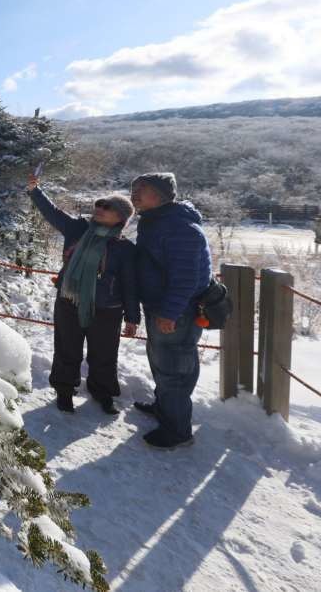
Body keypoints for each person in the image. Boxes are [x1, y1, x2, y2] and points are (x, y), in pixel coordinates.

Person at [28, 173, 139, 415]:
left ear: (121, 218)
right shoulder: (77, 228)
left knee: (105, 354)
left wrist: (133, 316)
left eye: (107, 207)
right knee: (67, 349)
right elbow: (53, 213)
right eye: (98, 204)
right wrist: (35, 190)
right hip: (70, 301)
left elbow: (130, 284)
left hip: (107, 309)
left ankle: (104, 393)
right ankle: (64, 391)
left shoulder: (124, 249)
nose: (99, 208)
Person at [129, 172, 212, 450]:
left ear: (162, 195)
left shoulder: (179, 228)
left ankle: (177, 431)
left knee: (175, 368)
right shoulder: (157, 221)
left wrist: (170, 312)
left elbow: (186, 277)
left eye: (143, 189)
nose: (135, 194)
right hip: (161, 306)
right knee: (163, 363)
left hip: (178, 311)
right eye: (134, 188)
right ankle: (165, 408)